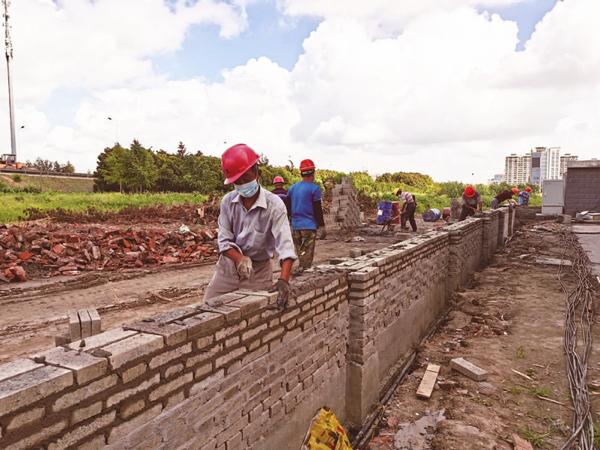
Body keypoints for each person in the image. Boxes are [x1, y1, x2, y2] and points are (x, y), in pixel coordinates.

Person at [203, 144, 296, 309]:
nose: (242, 184)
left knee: (256, 317)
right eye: (238, 181)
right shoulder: (228, 202)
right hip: (228, 267)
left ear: (257, 174)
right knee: (208, 309)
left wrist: (283, 280)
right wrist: (240, 259)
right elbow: (224, 241)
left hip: (259, 272)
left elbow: (286, 246)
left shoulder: (274, 205)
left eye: (246, 178)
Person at [287, 159, 325, 270]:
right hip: (308, 227)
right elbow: (317, 209)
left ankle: (301, 270)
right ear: (313, 172)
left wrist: (290, 222)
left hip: (295, 227)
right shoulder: (314, 188)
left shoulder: (292, 188)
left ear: (301, 173)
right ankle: (304, 278)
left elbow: (288, 208)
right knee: (306, 257)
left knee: (301, 253)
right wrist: (322, 226)